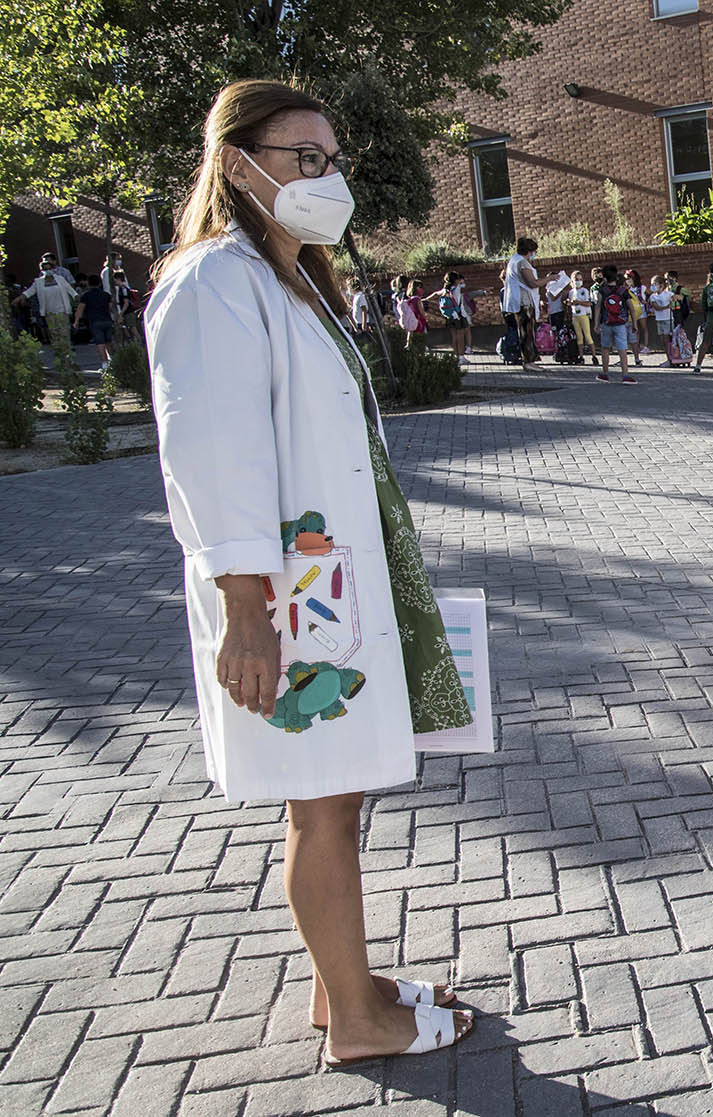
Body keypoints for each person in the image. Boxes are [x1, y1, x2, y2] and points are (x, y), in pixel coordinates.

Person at [142, 78, 473, 1066]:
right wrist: (244, 609)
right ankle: (360, 1025)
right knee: (321, 805)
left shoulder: (288, 277)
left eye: (333, 160)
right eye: (305, 158)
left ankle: (347, 987)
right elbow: (211, 455)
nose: (327, 177)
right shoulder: (214, 283)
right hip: (283, 606)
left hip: (326, 595)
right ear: (237, 165)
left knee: (336, 798)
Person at [13, 259, 78, 348]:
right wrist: (19, 299)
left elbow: (70, 290)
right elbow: (29, 292)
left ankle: (67, 352)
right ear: (42, 271)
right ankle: (59, 353)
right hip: (49, 313)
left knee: (64, 333)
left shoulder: (60, 279)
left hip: (62, 311)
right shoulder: (38, 282)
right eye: (45, 269)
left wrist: (76, 297)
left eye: (49, 269)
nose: (48, 271)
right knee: (54, 334)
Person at [593, 265, 638, 384]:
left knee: (605, 348)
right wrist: (634, 323)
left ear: (605, 278)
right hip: (620, 324)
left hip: (606, 323)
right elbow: (631, 308)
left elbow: (597, 308)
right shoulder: (623, 291)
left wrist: (596, 324)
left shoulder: (602, 291)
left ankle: (605, 374)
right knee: (622, 349)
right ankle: (625, 375)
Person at [500, 237, 540, 362]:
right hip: (524, 301)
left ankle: (530, 359)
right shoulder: (522, 262)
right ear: (529, 251)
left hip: (520, 300)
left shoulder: (514, 260)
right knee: (527, 332)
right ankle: (528, 361)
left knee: (526, 332)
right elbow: (532, 283)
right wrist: (550, 279)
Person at [426, 271, 472, 363]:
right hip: (458, 315)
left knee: (454, 336)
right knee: (460, 336)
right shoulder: (457, 289)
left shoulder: (445, 290)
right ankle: (461, 357)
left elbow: (435, 294)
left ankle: (456, 356)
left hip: (449, 315)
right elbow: (469, 289)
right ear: (455, 280)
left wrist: (424, 299)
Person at [72, 274, 116, 367]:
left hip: (94, 321)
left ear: (88, 284)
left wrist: (76, 322)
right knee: (109, 341)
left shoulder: (86, 296)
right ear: (100, 283)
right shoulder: (106, 295)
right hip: (107, 319)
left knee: (100, 343)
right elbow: (111, 308)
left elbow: (80, 309)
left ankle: (105, 365)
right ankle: (113, 361)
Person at [568, 269, 599, 362]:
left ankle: (594, 355)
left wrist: (578, 302)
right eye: (576, 279)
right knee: (579, 336)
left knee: (587, 335)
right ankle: (581, 356)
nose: (578, 281)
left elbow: (589, 303)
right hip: (575, 315)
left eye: (580, 279)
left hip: (584, 315)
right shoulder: (571, 292)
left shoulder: (584, 291)